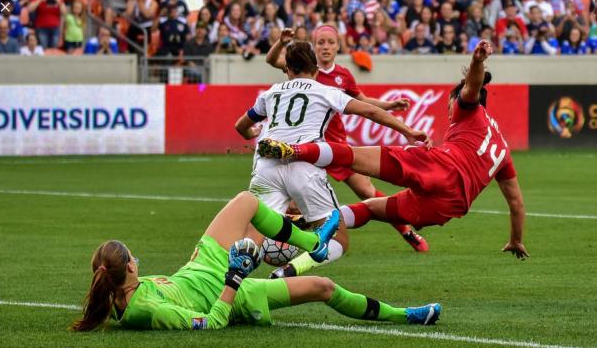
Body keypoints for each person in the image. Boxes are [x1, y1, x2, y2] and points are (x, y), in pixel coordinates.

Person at [258, 40, 530, 261]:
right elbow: (516, 204)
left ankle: (293, 150)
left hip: (442, 165)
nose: (449, 109)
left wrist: (477, 61)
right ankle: (311, 223)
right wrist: (516, 240)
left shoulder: (467, 108)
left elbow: (472, 86)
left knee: (352, 156)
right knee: (371, 209)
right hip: (452, 204)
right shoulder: (503, 150)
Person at [71, 191, 441, 331]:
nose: (138, 258)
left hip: (202, 263)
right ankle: (405, 315)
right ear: (130, 268)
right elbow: (211, 323)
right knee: (323, 287)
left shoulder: (126, 292)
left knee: (247, 201)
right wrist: (235, 277)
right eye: (134, 256)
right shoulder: (145, 311)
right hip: (231, 290)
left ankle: (313, 242)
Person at [237, 41, 430, 279]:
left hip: (266, 165)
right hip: (305, 165)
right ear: (316, 69)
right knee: (338, 237)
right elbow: (369, 111)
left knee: (253, 235)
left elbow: (241, 125)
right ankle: (286, 272)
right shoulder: (325, 91)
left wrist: (251, 134)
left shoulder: (271, 92)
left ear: (287, 69)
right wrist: (407, 130)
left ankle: (227, 285)